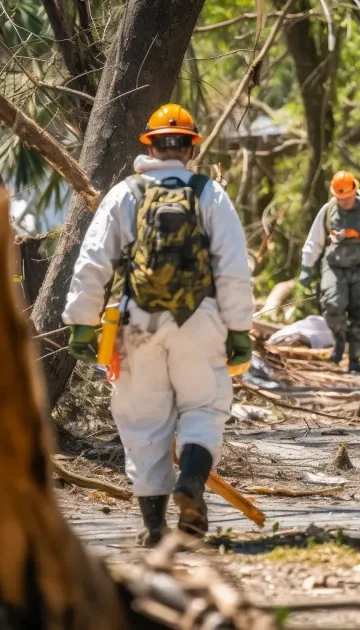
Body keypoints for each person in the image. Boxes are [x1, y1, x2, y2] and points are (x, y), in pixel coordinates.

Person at [62, 104, 254, 545]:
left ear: (148, 144)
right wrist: (240, 331)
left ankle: (153, 528)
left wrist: (82, 323)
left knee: (142, 420)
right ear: (191, 146)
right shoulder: (209, 193)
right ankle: (190, 480)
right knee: (204, 408)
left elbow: (93, 260)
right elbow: (233, 268)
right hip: (200, 320)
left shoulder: (126, 193)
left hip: (138, 321)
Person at [299, 171, 360, 372]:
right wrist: (306, 266)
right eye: (340, 198)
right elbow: (315, 240)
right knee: (332, 305)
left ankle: (354, 358)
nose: (344, 202)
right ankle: (339, 340)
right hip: (334, 267)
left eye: (347, 198)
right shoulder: (328, 210)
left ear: (355, 193)